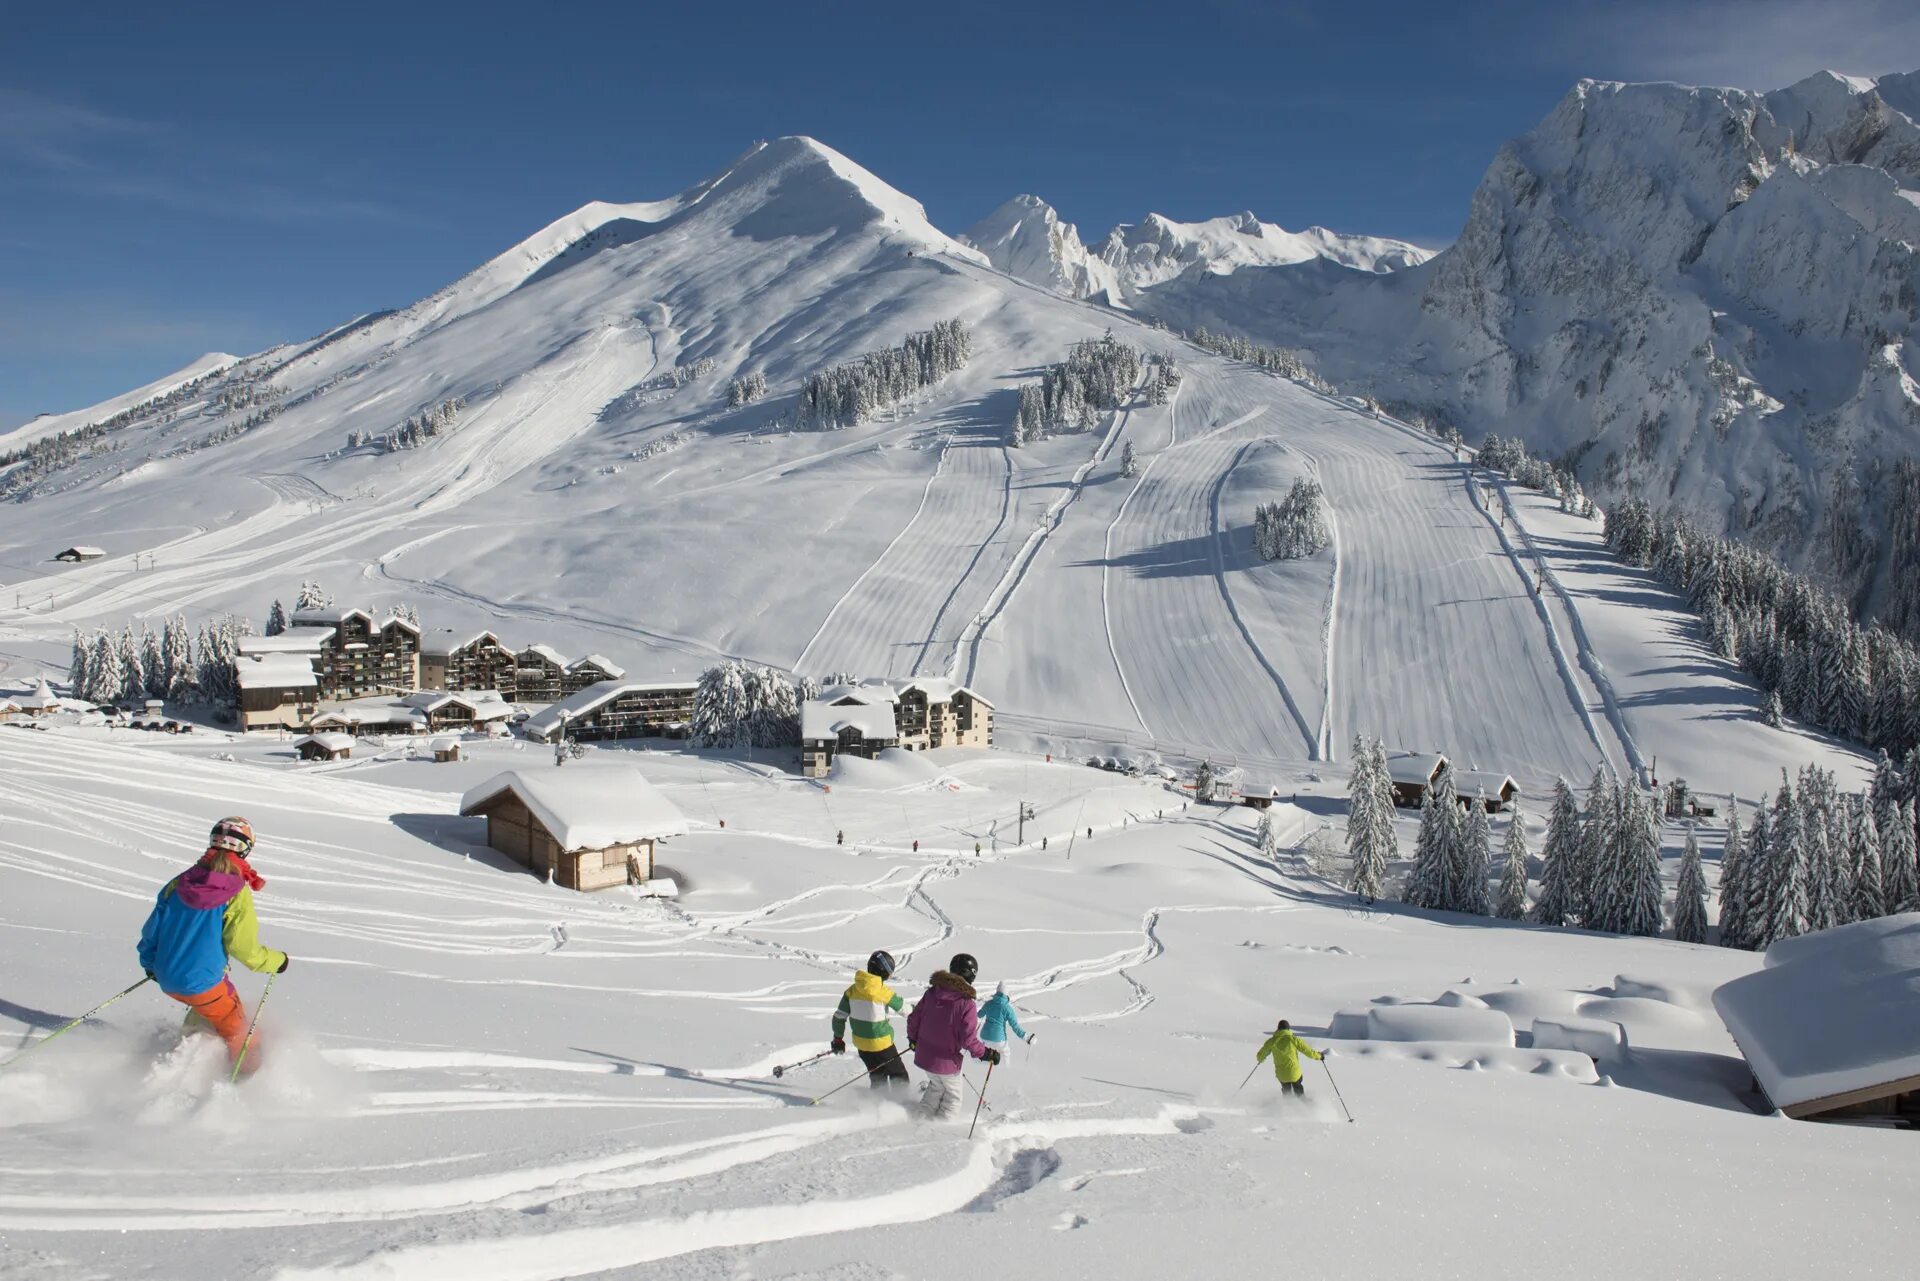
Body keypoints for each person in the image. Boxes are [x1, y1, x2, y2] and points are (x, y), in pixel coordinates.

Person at [136, 817, 288, 1071]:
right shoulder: (236, 891)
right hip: (203, 982)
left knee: (206, 1014)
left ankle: (181, 1054)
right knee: (242, 1032)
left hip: (166, 976)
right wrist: (276, 961)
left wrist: (150, 963)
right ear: (246, 849)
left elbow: (152, 930)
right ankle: (247, 1082)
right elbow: (245, 949)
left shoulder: (180, 882)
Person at [906, 952, 997, 1119]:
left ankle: (919, 1120)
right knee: (953, 1098)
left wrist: (913, 1039)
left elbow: (913, 1019)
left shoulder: (932, 993)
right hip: (947, 1063)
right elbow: (968, 1039)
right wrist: (986, 1053)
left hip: (925, 1057)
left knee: (936, 1087)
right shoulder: (966, 1004)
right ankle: (941, 1131)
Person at [830, 950, 910, 1091]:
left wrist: (838, 1039)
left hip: (862, 1045)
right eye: (890, 973)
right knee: (898, 1074)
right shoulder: (883, 991)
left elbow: (839, 1017)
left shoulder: (851, 991)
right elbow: (906, 1011)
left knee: (877, 1075)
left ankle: (877, 1103)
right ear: (884, 971)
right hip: (882, 1044)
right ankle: (902, 1103)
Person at [1255, 1019, 1323, 1097]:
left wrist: (1261, 1059)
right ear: (1288, 1029)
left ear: (1278, 1028)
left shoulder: (1271, 1041)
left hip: (1281, 1074)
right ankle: (1303, 1103)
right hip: (1294, 1073)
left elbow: (1260, 1056)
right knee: (1298, 1087)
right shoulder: (1293, 1039)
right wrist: (1320, 1056)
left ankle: (1287, 1105)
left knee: (1286, 1091)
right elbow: (1309, 1052)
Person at [978, 981, 1030, 1061]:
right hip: (999, 1039)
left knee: (987, 1057)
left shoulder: (989, 1003)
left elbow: (979, 1015)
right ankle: (1006, 1070)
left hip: (984, 1036)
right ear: (1006, 995)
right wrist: (1027, 1038)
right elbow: (1015, 1026)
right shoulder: (1007, 1008)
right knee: (1005, 1055)